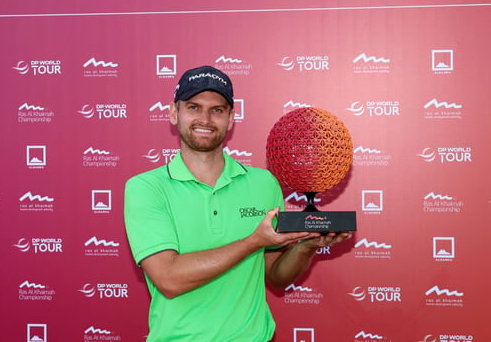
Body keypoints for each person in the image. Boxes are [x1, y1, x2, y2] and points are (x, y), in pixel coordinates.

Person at [124, 65, 352, 341]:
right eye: (194, 107)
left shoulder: (263, 183)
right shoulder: (146, 187)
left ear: (231, 118)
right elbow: (170, 278)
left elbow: (276, 275)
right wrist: (253, 241)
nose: (205, 118)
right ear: (174, 113)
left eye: (217, 110)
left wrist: (307, 246)